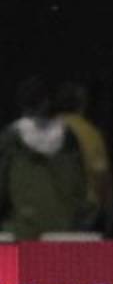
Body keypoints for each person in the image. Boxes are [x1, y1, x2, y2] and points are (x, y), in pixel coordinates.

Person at [0, 78, 91, 241]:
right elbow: (80, 189)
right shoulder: (69, 137)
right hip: (64, 229)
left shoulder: (10, 139)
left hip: (21, 230)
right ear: (47, 102)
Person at [53, 82, 113, 234]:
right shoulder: (91, 134)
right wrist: (109, 212)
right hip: (84, 209)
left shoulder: (45, 131)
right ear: (82, 104)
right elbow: (101, 176)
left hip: (51, 207)